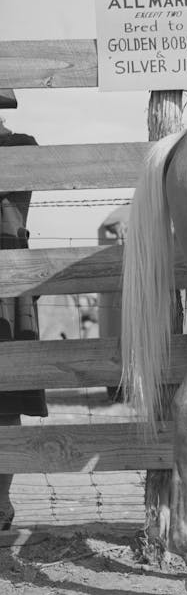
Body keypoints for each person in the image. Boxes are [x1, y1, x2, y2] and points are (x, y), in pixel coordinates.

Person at [0, 114, 47, 530]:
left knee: (7, 400)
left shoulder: (20, 147)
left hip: (7, 281)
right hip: (11, 283)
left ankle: (0, 502)